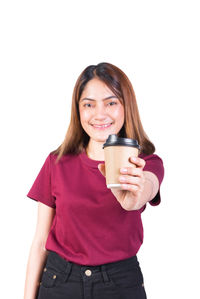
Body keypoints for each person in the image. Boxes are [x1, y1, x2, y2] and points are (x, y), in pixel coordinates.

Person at [23, 62, 164, 299]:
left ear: (126, 106)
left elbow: (147, 187)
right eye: (89, 104)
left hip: (120, 284)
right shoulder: (56, 163)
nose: (100, 114)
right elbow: (39, 243)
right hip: (59, 283)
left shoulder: (146, 162)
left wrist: (134, 197)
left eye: (111, 103)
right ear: (78, 110)